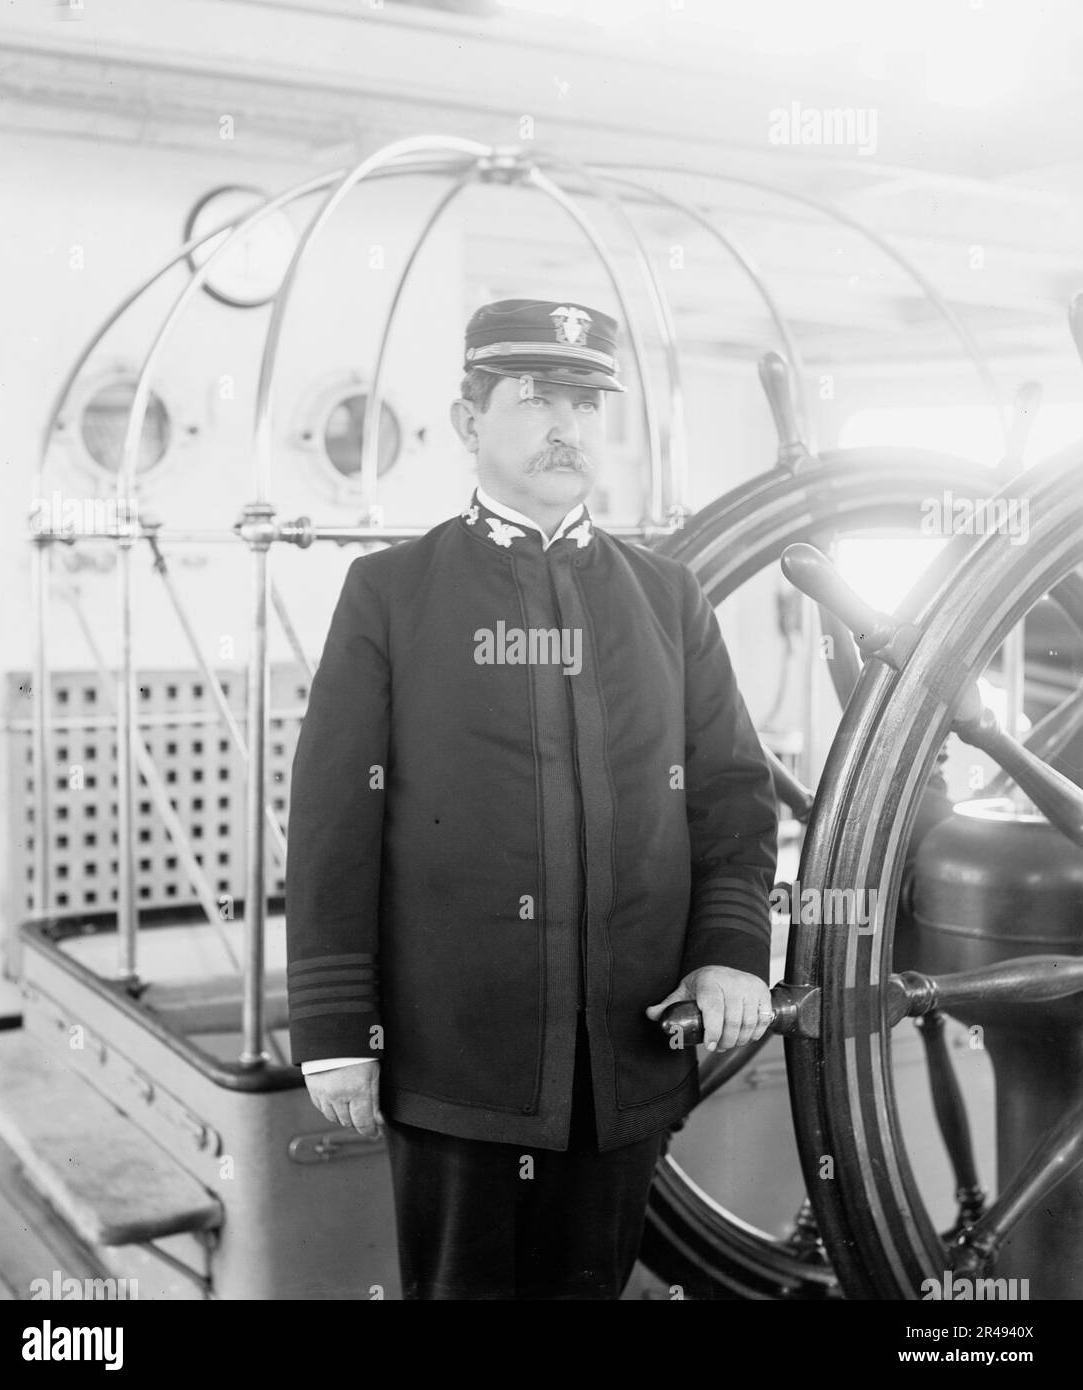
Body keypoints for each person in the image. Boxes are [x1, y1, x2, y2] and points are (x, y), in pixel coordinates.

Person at [285, 298, 780, 1300]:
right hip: (456, 1055)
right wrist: (338, 1030)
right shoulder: (390, 591)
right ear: (469, 424)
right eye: (534, 398)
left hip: (625, 1055)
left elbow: (731, 794)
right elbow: (334, 823)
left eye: (586, 402)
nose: (568, 425)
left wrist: (728, 954)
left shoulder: (667, 598)